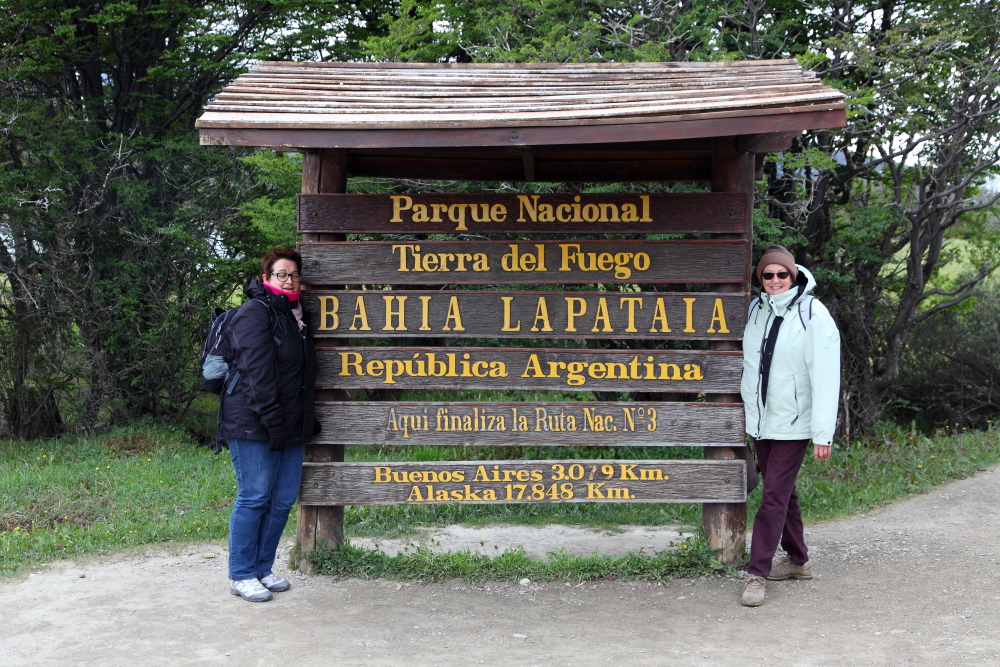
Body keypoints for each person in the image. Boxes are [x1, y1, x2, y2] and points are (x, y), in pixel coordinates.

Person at [739, 244, 840, 607]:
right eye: (768, 275)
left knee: (773, 497)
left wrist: (822, 432)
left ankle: (757, 574)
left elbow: (826, 376)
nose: (776, 280)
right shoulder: (755, 310)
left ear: (793, 275)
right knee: (783, 493)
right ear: (760, 279)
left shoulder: (813, 313)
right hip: (763, 423)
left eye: (783, 274)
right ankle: (799, 561)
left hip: (795, 424)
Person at [217, 247, 317, 602]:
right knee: (255, 496)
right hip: (252, 422)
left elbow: (300, 377)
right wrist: (273, 422)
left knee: (283, 499)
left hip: (287, 424)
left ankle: (262, 568)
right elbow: (258, 375)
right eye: (281, 274)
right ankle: (241, 574)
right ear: (266, 278)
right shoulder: (254, 314)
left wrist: (304, 420)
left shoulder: (297, 318)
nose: (288, 279)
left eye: (293, 274)